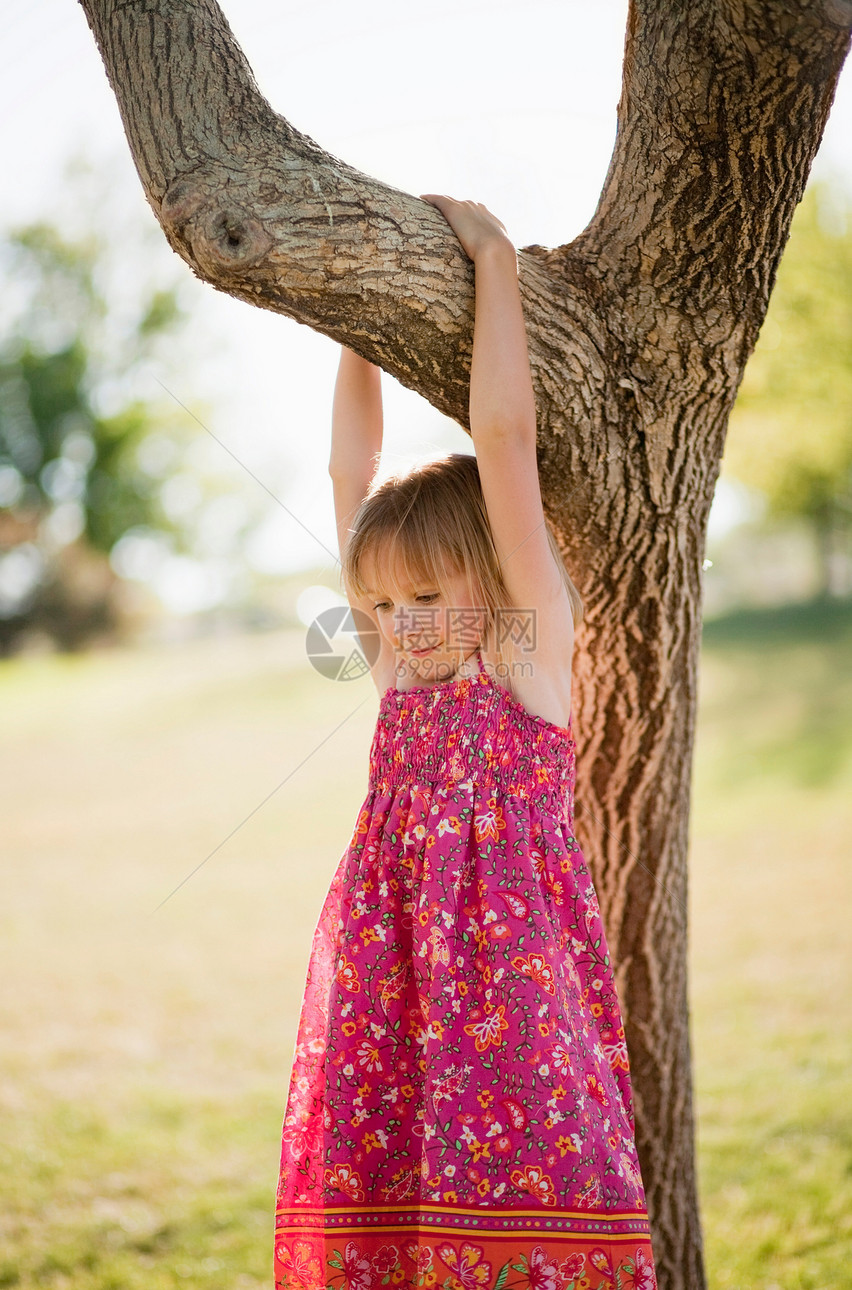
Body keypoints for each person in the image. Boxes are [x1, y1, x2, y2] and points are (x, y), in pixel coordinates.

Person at [274, 197, 656, 1290]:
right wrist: (356, 321)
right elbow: (351, 479)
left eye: (427, 594)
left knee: (536, 1177)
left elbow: (503, 441)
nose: (400, 625)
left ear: (489, 577)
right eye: (381, 608)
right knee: (393, 1198)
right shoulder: (400, 671)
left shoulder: (527, 658)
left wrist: (491, 258)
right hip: (392, 986)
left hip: (511, 995)